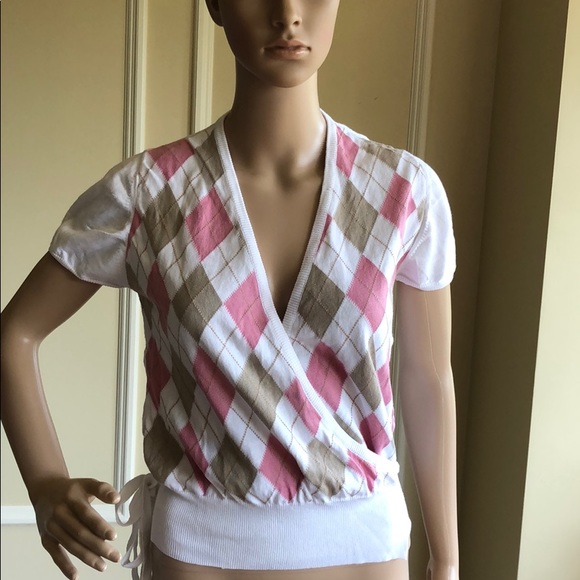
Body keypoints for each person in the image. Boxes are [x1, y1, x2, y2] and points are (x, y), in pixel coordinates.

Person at [0, 1, 460, 579]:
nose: (288, 12)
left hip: (366, 550)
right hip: (200, 551)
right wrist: (44, 484)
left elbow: (428, 377)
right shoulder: (150, 196)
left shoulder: (403, 193)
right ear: (216, 3)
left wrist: (447, 558)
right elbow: (15, 334)